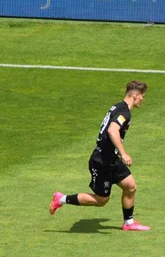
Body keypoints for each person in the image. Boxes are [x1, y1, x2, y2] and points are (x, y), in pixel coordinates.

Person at [50, 81, 151, 232]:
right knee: (101, 200)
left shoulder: (117, 106)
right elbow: (112, 130)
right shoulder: (124, 112)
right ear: (135, 95)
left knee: (130, 186)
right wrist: (123, 153)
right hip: (101, 161)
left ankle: (128, 223)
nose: (143, 99)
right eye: (142, 96)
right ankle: (61, 199)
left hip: (111, 159)